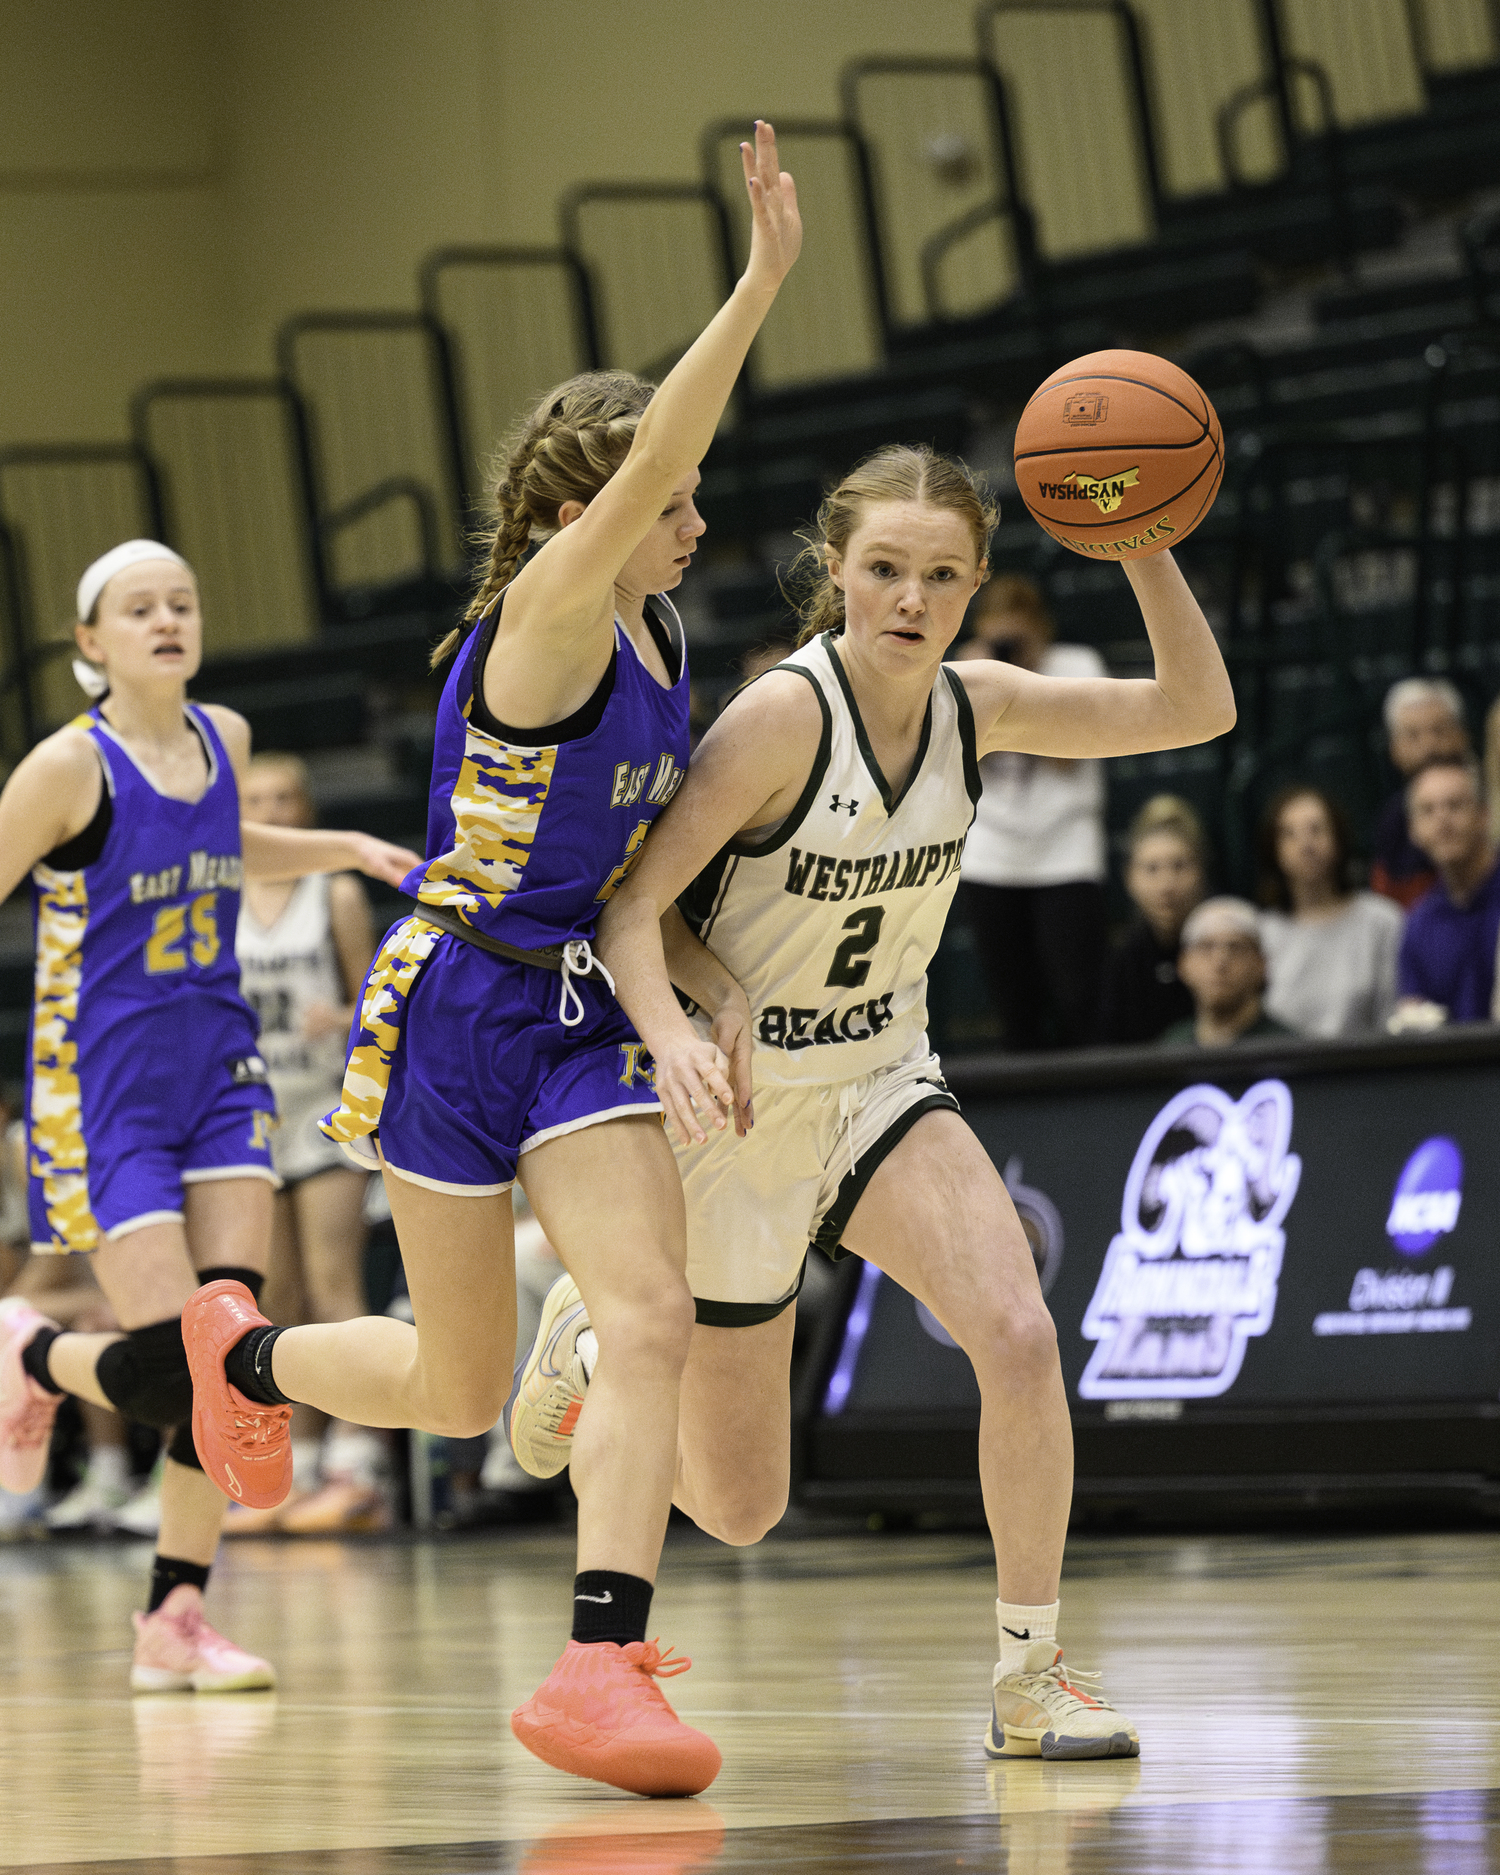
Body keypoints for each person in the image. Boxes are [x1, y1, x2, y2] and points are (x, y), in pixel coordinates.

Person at [183, 122, 801, 1796]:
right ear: (585, 511)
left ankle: (602, 1664)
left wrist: (702, 991)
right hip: (455, 999)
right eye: (666, 498)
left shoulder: (668, 634)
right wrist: (758, 282)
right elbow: (660, 441)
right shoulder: (548, 618)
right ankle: (232, 1354)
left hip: (577, 1005)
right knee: (456, 1396)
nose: (693, 521)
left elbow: (635, 877)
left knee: (648, 1317)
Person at [509, 442, 1236, 1764]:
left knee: (1017, 1328)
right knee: (738, 1506)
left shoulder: (980, 704)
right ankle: (597, 1338)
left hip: (882, 1078)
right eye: (885, 568)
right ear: (834, 568)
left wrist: (1142, 538)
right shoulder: (782, 719)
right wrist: (675, 1029)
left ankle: (1031, 1676)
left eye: (941, 574)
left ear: (975, 587)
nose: (909, 597)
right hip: (736, 1105)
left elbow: (1195, 707)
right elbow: (628, 904)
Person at [0, 539, 416, 1689]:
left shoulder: (222, 737)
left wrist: (337, 845)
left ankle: (172, 1619)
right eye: (138, 609)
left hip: (220, 1066)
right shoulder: (63, 771)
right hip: (103, 1088)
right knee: (178, 1368)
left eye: (181, 602)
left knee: (228, 1347)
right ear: (91, 642)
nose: (166, 620)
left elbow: (219, 843)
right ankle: (33, 1351)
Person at [229, 752, 387, 1534]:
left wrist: (347, 1017)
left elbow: (375, 994)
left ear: (306, 805)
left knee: (333, 1287)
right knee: (276, 1302)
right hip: (256, 1115)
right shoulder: (219, 896)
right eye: (258, 798)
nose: (274, 808)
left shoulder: (336, 889)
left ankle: (359, 1463)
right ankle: (286, 1467)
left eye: (286, 795)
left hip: (324, 1109)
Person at [954, 576, 1107, 1048]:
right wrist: (981, 680)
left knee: (1078, 997)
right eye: (999, 640)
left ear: (1041, 629)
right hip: (991, 856)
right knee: (1013, 1007)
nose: (1006, 650)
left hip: (1066, 852)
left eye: (1016, 640)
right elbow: (959, 758)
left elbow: (1069, 754)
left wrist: (1024, 678)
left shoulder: (1076, 665)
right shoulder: (967, 671)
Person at [1255, 785, 1402, 1038]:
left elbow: (1394, 1016)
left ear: (1338, 838)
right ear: (1274, 849)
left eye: (1316, 829)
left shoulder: (1381, 921)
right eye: (1290, 834)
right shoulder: (1262, 932)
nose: (1306, 844)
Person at [1394, 754, 1500, 1025]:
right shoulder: (1419, 924)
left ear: (1483, 815)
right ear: (1413, 829)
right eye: (1428, 810)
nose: (1442, 819)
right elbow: (1415, 1017)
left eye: (1455, 805)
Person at [1098, 795, 1207, 1045]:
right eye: (1152, 868)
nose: (1166, 885)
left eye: (1179, 866)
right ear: (1129, 878)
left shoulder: (1223, 947)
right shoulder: (1119, 961)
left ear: (1200, 871)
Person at [1371, 678, 1469, 908]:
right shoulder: (1391, 824)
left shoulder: (1493, 800)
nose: (1429, 746)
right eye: (1413, 735)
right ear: (1394, 750)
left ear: (1461, 736)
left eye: (1438, 730)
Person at [1160, 898, 1295, 1046]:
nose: (1220, 962)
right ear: (1183, 964)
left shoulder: (1288, 1050)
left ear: (1261, 964)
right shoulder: (1171, 1046)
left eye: (1236, 948)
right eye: (1206, 947)